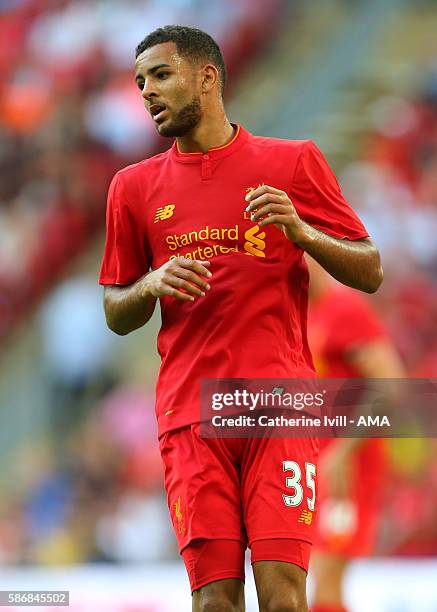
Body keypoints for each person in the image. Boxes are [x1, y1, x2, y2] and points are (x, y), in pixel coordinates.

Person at [99, 25, 383, 612]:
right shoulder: (132, 188)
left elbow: (370, 269)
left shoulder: (291, 162)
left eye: (160, 75)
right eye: (139, 82)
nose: (147, 92)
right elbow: (116, 311)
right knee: (214, 601)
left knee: (283, 593)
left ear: (207, 77)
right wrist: (150, 283)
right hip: (191, 415)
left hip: (280, 406)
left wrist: (302, 234)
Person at [306, 257, 405, 612]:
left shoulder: (345, 309)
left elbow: (392, 385)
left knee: (328, 569)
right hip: (322, 464)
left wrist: (345, 451)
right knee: (319, 573)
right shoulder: (307, 316)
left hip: (349, 467)